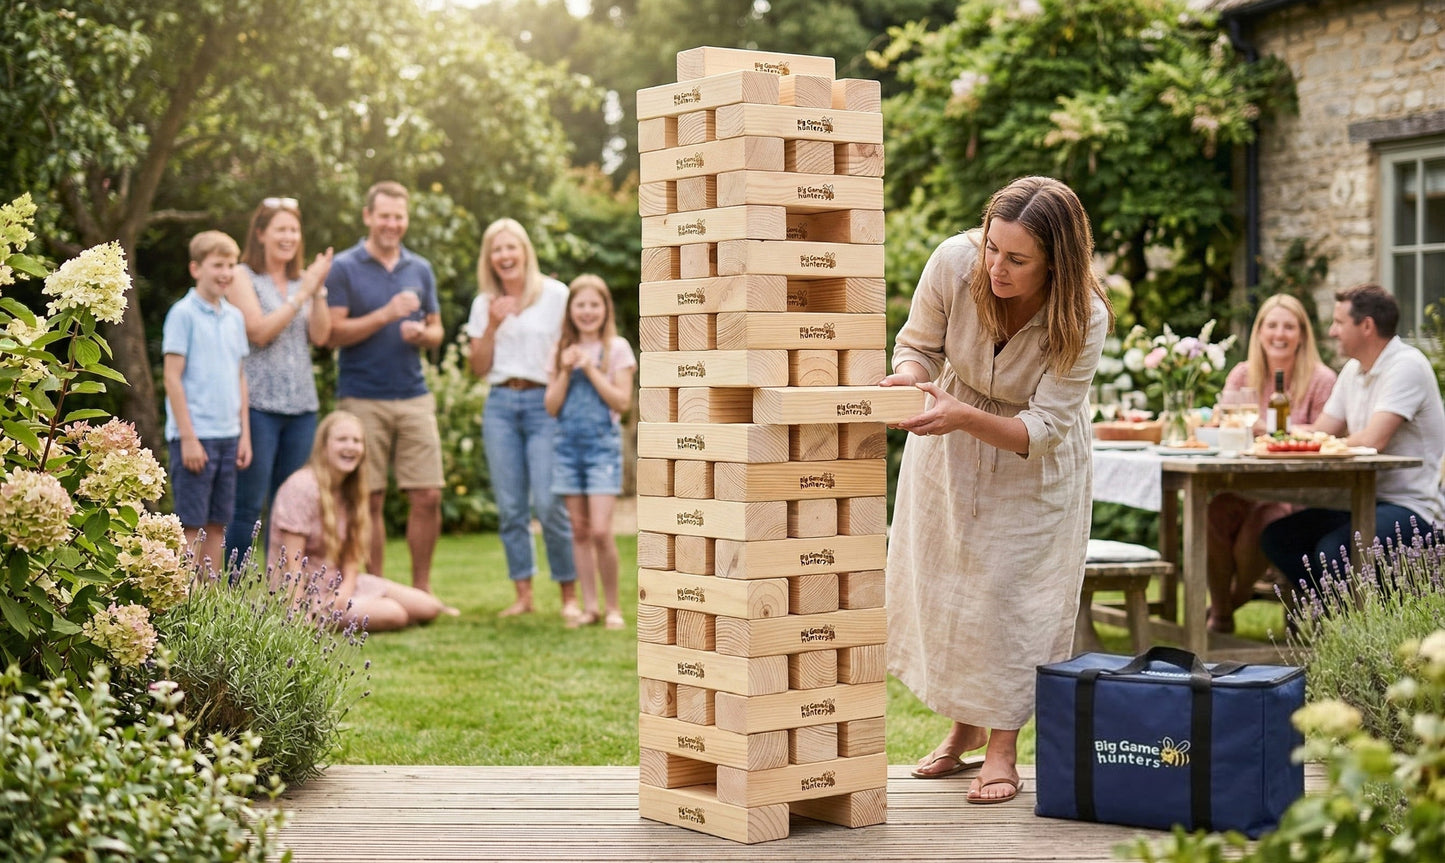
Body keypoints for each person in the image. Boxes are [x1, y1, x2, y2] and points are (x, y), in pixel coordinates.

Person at [882, 176, 1112, 804]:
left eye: (1017, 260)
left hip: (1034, 465)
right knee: (956, 590)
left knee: (1011, 599)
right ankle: (962, 732)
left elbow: (1042, 427)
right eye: (991, 248)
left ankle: (1004, 747)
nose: (996, 268)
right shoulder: (954, 264)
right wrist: (908, 381)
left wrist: (960, 414)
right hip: (949, 449)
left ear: (1056, 264)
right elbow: (917, 346)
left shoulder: (1084, 315)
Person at [1261, 284, 1445, 596]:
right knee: (1278, 537)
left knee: (1333, 549)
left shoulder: (1406, 366)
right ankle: (1333, 621)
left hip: (1412, 507)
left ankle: (1359, 628)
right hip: (1361, 501)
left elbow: (1374, 440)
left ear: (1367, 326)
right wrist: (1271, 436)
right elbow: (1323, 430)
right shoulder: (1353, 370)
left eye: (1339, 323)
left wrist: (1315, 442)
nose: (1332, 332)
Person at [326, 181, 447, 594]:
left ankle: (421, 591)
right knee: (369, 499)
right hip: (362, 396)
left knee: (428, 495)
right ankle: (376, 588)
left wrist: (423, 335)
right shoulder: (344, 266)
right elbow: (332, 333)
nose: (392, 224)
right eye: (385, 216)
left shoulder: (420, 268)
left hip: (413, 394)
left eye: (399, 216)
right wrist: (386, 315)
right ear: (368, 217)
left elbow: (437, 329)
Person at [465, 218, 578, 619]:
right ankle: (524, 595)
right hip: (500, 405)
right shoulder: (484, 303)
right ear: (489, 258)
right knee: (511, 507)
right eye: (497, 249)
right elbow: (478, 367)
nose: (505, 255)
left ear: (525, 251)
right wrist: (493, 324)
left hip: (542, 405)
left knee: (549, 504)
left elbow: (573, 349)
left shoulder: (556, 295)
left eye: (511, 247)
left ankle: (569, 596)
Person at [1205, 294, 1336, 633]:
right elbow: (1225, 423)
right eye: (1272, 325)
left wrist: (1272, 429)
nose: (1280, 334)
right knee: (1217, 510)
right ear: (1259, 332)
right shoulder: (1243, 374)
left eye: (1289, 326)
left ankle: (1231, 602)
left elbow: (1327, 432)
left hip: (1301, 492)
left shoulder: (1322, 380)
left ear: (1303, 334)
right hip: (1242, 484)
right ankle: (1222, 613)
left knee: (1267, 516)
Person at [224, 196, 335, 561]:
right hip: (258, 406)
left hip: (301, 407)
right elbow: (258, 331)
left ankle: (282, 596)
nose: (289, 236)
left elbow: (321, 336)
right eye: (281, 229)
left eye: (294, 229)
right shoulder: (243, 277)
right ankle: (232, 591)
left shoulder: (303, 281)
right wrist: (303, 293)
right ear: (260, 234)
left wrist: (316, 290)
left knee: (289, 507)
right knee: (248, 503)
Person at [269, 411, 452, 631]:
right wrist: (297, 613)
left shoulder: (351, 489)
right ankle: (317, 620)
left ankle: (352, 611)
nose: (351, 446)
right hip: (305, 590)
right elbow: (292, 562)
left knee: (428, 607)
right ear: (323, 446)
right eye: (342, 439)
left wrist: (344, 593)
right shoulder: (301, 487)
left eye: (357, 441)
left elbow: (352, 557)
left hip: (339, 583)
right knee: (394, 614)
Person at [544, 275, 636, 630]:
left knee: (600, 530)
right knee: (579, 531)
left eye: (593, 305)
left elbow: (622, 402)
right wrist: (566, 370)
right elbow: (551, 406)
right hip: (567, 448)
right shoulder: (559, 350)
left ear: (605, 308)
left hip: (602, 448)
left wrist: (591, 369)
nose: (587, 311)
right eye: (580, 305)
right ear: (571, 311)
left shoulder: (617, 349)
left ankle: (613, 606)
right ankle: (590, 607)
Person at [162, 230, 252, 572]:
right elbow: (172, 378)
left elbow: (240, 377)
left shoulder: (236, 318)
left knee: (217, 524)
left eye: (231, 265)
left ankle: (208, 603)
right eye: (218, 264)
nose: (225, 272)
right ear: (196, 268)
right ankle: (184, 598)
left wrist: (244, 435)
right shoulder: (182, 314)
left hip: (229, 435)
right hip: (195, 438)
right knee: (191, 525)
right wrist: (188, 437)